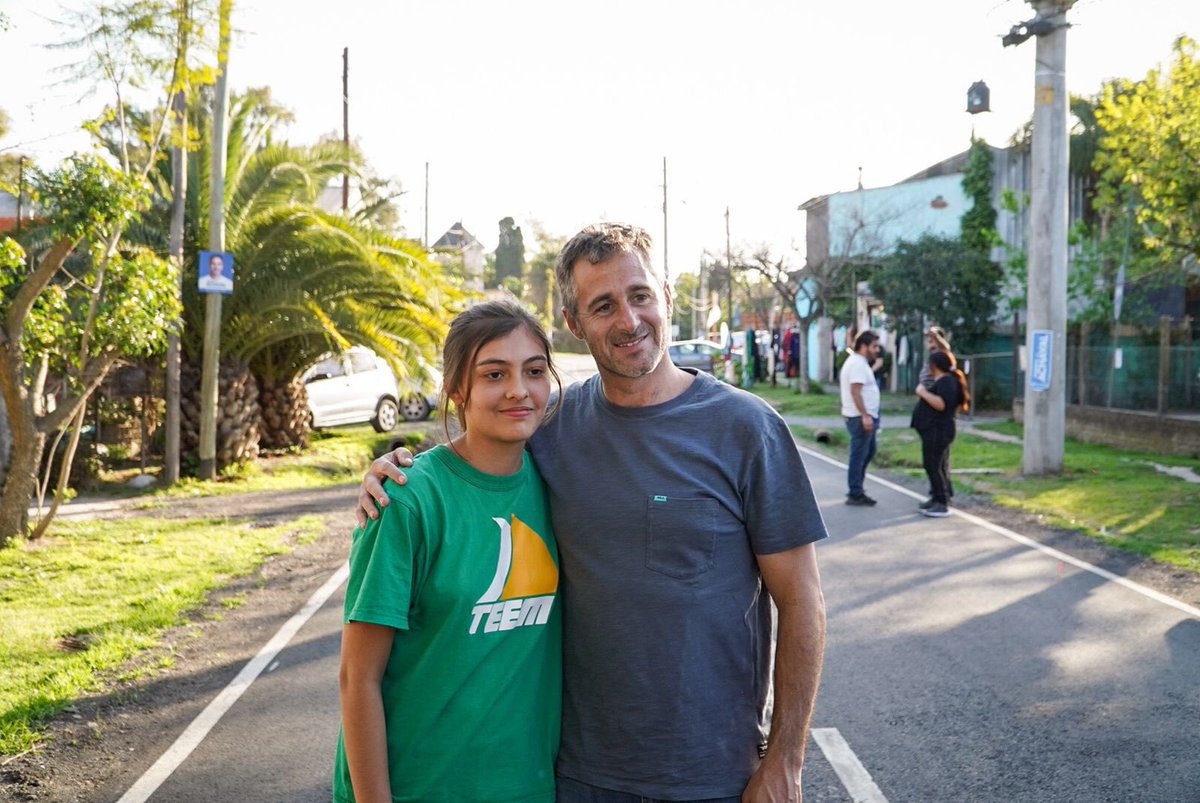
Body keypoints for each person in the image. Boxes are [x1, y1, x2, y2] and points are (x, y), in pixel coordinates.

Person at [357, 222, 828, 801]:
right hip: (578, 776)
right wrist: (395, 471)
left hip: (714, 775)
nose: (629, 321)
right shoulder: (551, 428)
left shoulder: (748, 429)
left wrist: (785, 760)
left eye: (640, 295)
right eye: (603, 306)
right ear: (575, 323)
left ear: (667, 297)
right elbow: (475, 452)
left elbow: (802, 601)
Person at [334, 299, 563, 803]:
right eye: (494, 374)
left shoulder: (560, 486)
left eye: (534, 371)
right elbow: (357, 678)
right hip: (417, 787)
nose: (518, 390)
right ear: (457, 388)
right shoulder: (405, 499)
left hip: (527, 789)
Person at [911, 350, 964, 518]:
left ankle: (942, 502)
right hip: (934, 430)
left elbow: (941, 404)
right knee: (935, 465)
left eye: (929, 364)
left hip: (938, 430)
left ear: (934, 366)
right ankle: (936, 497)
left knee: (933, 466)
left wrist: (923, 393)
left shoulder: (947, 382)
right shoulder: (943, 381)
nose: (927, 368)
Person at [840, 329, 882, 506]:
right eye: (874, 346)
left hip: (862, 416)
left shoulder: (860, 362)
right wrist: (865, 415)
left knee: (868, 451)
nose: (877, 350)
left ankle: (857, 487)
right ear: (864, 346)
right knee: (859, 455)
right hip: (859, 417)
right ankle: (855, 492)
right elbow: (855, 391)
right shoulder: (857, 364)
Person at [918, 326, 956, 504]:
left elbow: (945, 348)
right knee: (936, 460)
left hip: (936, 414)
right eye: (929, 341)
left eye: (933, 340)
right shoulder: (931, 358)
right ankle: (940, 491)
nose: (930, 344)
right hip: (929, 409)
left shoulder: (942, 358)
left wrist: (923, 393)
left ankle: (942, 494)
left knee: (937, 460)